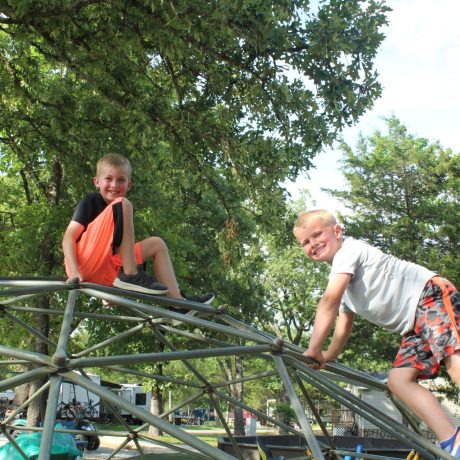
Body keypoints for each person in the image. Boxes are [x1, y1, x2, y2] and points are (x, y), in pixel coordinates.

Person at [293, 209, 460, 458]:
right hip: (413, 325)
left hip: (428, 294)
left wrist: (314, 347)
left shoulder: (349, 251)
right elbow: (343, 324)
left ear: (337, 232)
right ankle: (453, 440)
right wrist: (328, 355)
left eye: (317, 234)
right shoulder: (344, 281)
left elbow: (328, 300)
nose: (313, 244)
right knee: (398, 380)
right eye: (305, 242)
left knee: (452, 354)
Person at [62, 153, 214, 304]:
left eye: (120, 180)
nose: (114, 185)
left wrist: (107, 293)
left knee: (157, 243)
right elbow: (68, 238)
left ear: (129, 184)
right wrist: (75, 272)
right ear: (96, 182)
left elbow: (117, 250)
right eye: (108, 179)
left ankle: (178, 302)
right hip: (83, 266)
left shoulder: (122, 211)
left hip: (105, 271)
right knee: (123, 203)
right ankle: (131, 274)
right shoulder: (93, 201)